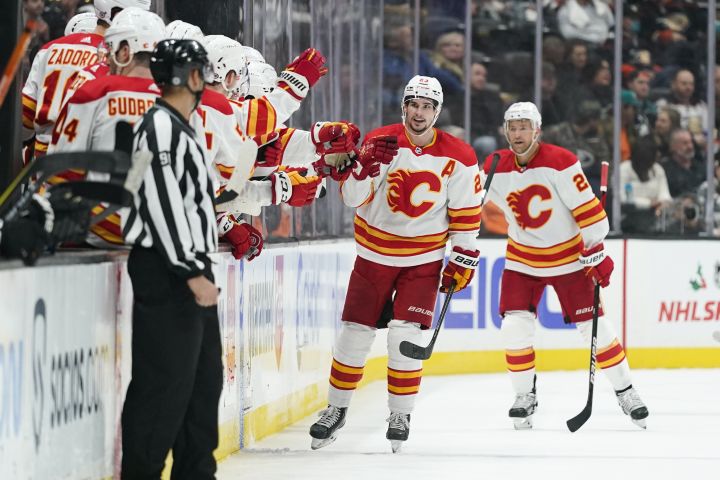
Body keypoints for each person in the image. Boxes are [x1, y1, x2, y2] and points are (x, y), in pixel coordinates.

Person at [309, 75, 482, 452]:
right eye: (414, 105)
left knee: (406, 338)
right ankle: (335, 409)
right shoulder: (380, 140)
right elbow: (353, 199)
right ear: (404, 106)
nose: (419, 113)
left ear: (437, 112)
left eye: (427, 107)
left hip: (423, 260)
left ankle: (400, 413)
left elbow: (466, 215)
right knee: (354, 333)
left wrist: (463, 257)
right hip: (372, 256)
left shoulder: (460, 156)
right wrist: (363, 167)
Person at [480, 102, 649, 430]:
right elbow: (471, 202)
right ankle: (524, 395)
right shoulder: (495, 163)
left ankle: (626, 391)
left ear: (537, 130)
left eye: (523, 126)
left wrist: (595, 249)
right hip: (522, 258)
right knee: (514, 326)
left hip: (569, 259)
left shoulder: (560, 161)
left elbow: (591, 216)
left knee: (595, 329)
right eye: (512, 127)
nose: (517, 133)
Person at [120, 38, 222, 479]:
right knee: (163, 388)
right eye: (201, 70)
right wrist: (189, 270)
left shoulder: (182, 127)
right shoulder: (159, 126)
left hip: (189, 269)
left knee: (202, 386)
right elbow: (158, 202)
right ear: (191, 76)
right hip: (170, 272)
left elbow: (191, 199)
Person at [48, 7, 165, 246]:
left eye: (110, 49)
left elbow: (62, 168)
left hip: (97, 230)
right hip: (157, 239)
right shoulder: (179, 101)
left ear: (125, 51)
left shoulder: (95, 91)